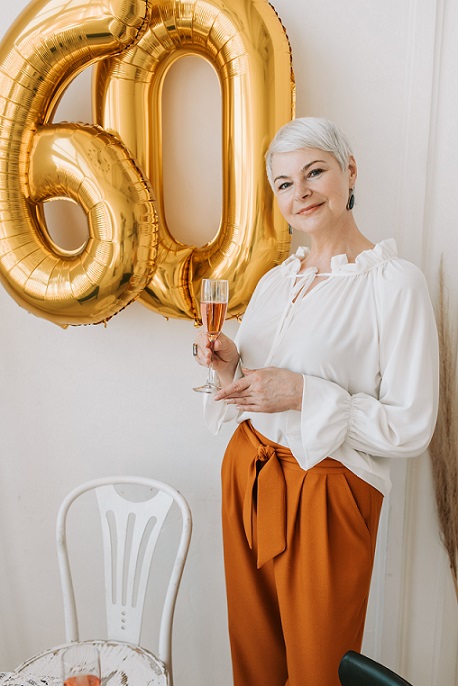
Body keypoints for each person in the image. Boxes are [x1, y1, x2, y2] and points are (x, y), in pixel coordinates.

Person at [193, 117, 439, 686]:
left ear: (348, 172)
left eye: (314, 172)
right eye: (283, 183)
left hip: (327, 490)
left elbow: (411, 427)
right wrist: (229, 365)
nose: (299, 192)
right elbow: (260, 384)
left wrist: (304, 393)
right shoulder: (278, 281)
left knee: (316, 672)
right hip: (248, 472)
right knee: (253, 661)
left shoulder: (394, 284)